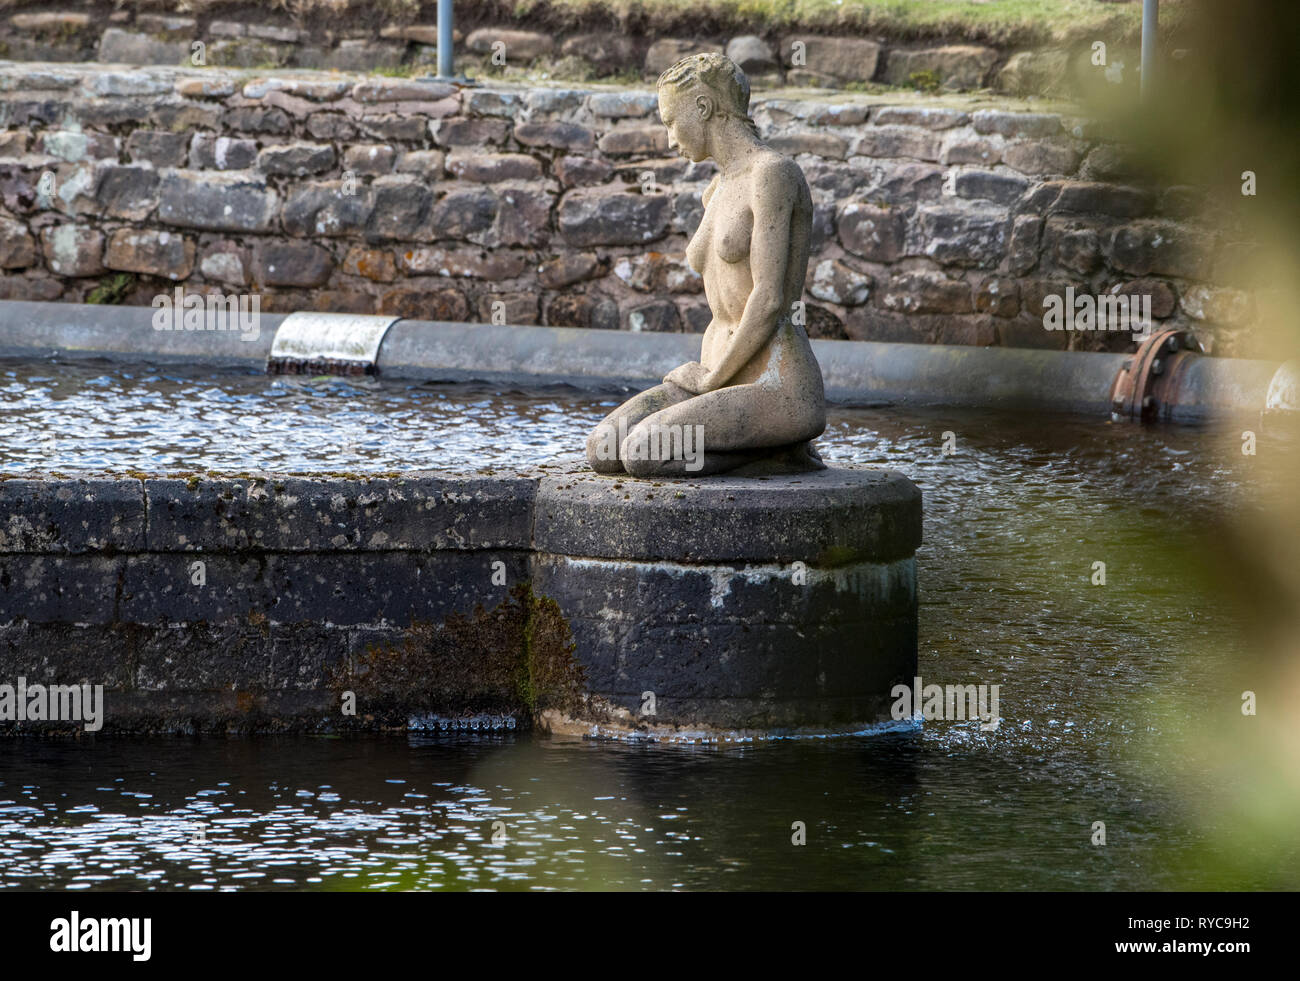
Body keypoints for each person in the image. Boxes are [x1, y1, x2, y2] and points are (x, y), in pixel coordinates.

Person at [586, 53, 827, 478]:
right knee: (604, 447)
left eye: (670, 122)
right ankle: (764, 453)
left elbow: (769, 299)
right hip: (714, 376)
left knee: (645, 451)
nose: (669, 140)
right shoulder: (716, 188)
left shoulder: (773, 174)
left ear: (702, 107)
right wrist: (708, 379)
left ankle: (781, 447)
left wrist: (712, 380)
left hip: (773, 383)